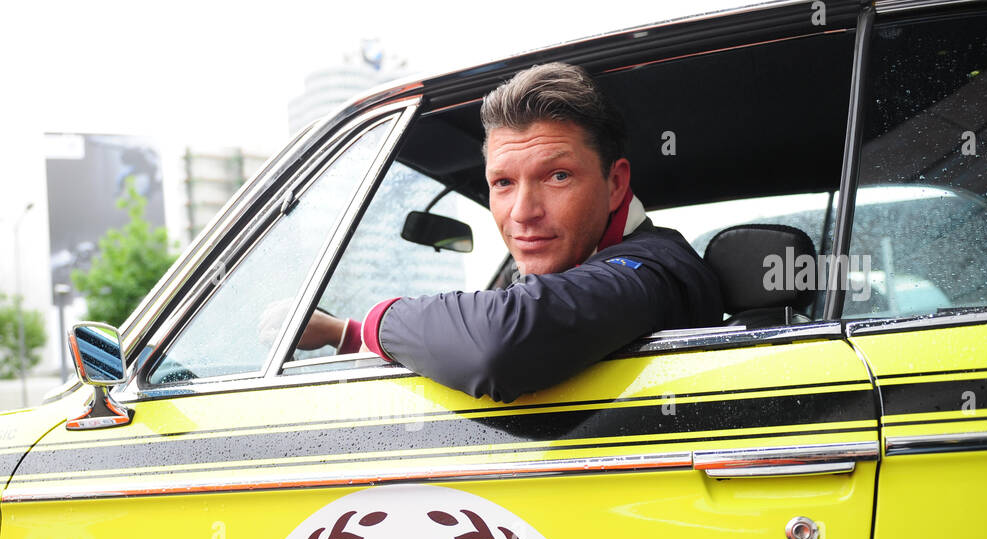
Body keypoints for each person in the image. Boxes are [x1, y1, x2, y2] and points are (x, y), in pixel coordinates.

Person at [298, 62, 723, 403]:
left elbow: (498, 344)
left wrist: (376, 321)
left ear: (614, 185)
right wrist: (345, 334)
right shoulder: (576, 267)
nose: (522, 213)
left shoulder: (655, 270)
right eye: (502, 183)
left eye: (557, 176)